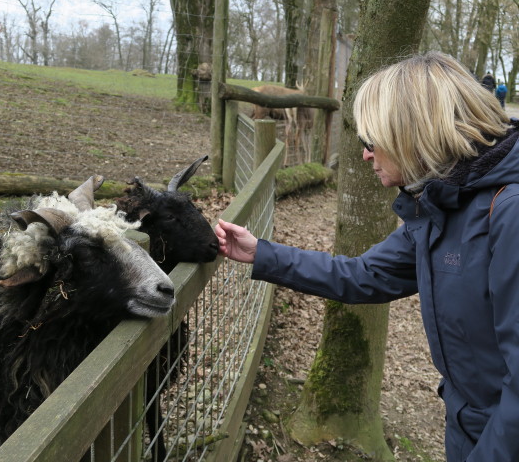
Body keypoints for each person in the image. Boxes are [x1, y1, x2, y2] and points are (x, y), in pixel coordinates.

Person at [215, 51, 519, 461]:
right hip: (465, 425)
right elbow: (363, 275)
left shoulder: (508, 212)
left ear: (412, 133)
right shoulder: (444, 200)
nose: (365, 155)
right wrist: (262, 254)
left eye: (371, 141)